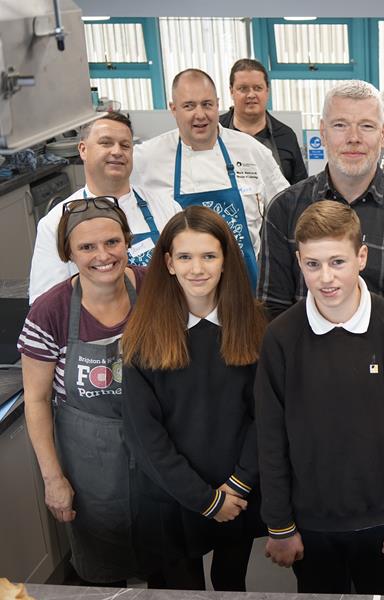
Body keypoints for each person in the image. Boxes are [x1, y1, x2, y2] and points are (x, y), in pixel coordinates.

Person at [255, 200, 384, 595]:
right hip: (311, 525)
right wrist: (279, 524)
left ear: (361, 257)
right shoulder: (281, 337)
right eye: (313, 264)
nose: (326, 277)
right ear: (298, 261)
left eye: (338, 261)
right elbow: (270, 436)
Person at [121, 206, 267, 590]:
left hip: (238, 490)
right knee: (178, 590)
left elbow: (266, 416)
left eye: (208, 256)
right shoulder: (142, 335)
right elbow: (143, 436)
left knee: (230, 582)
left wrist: (237, 485)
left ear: (225, 262)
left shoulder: (254, 327)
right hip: (171, 495)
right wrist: (205, 500)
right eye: (185, 256)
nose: (197, 268)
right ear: (168, 263)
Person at [256, 80, 384, 347]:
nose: (353, 137)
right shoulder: (284, 210)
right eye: (340, 125)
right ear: (323, 131)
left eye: (366, 125)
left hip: (381, 377)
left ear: (383, 133)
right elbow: (271, 312)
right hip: (302, 374)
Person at [18, 197, 143, 585]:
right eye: (87, 247)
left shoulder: (155, 287)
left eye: (112, 242)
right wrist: (54, 480)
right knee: (105, 577)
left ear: (127, 242)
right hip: (92, 470)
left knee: (172, 571)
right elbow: (36, 401)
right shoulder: (50, 312)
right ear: (68, 253)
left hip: (158, 456)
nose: (102, 256)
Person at [132, 68, 290, 287]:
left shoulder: (251, 150)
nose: (200, 115)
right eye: (189, 106)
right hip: (180, 292)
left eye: (207, 104)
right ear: (173, 109)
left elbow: (286, 211)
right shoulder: (146, 158)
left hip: (243, 288)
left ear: (217, 104)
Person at [29, 111, 180, 302]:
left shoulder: (167, 207)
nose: (117, 151)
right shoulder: (56, 223)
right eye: (106, 143)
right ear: (83, 149)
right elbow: (45, 304)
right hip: (96, 330)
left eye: (125, 145)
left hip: (164, 322)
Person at [220, 58, 308, 185]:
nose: (251, 95)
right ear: (231, 91)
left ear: (267, 90)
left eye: (257, 88)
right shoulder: (215, 131)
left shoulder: (286, 136)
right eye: (243, 88)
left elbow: (301, 190)